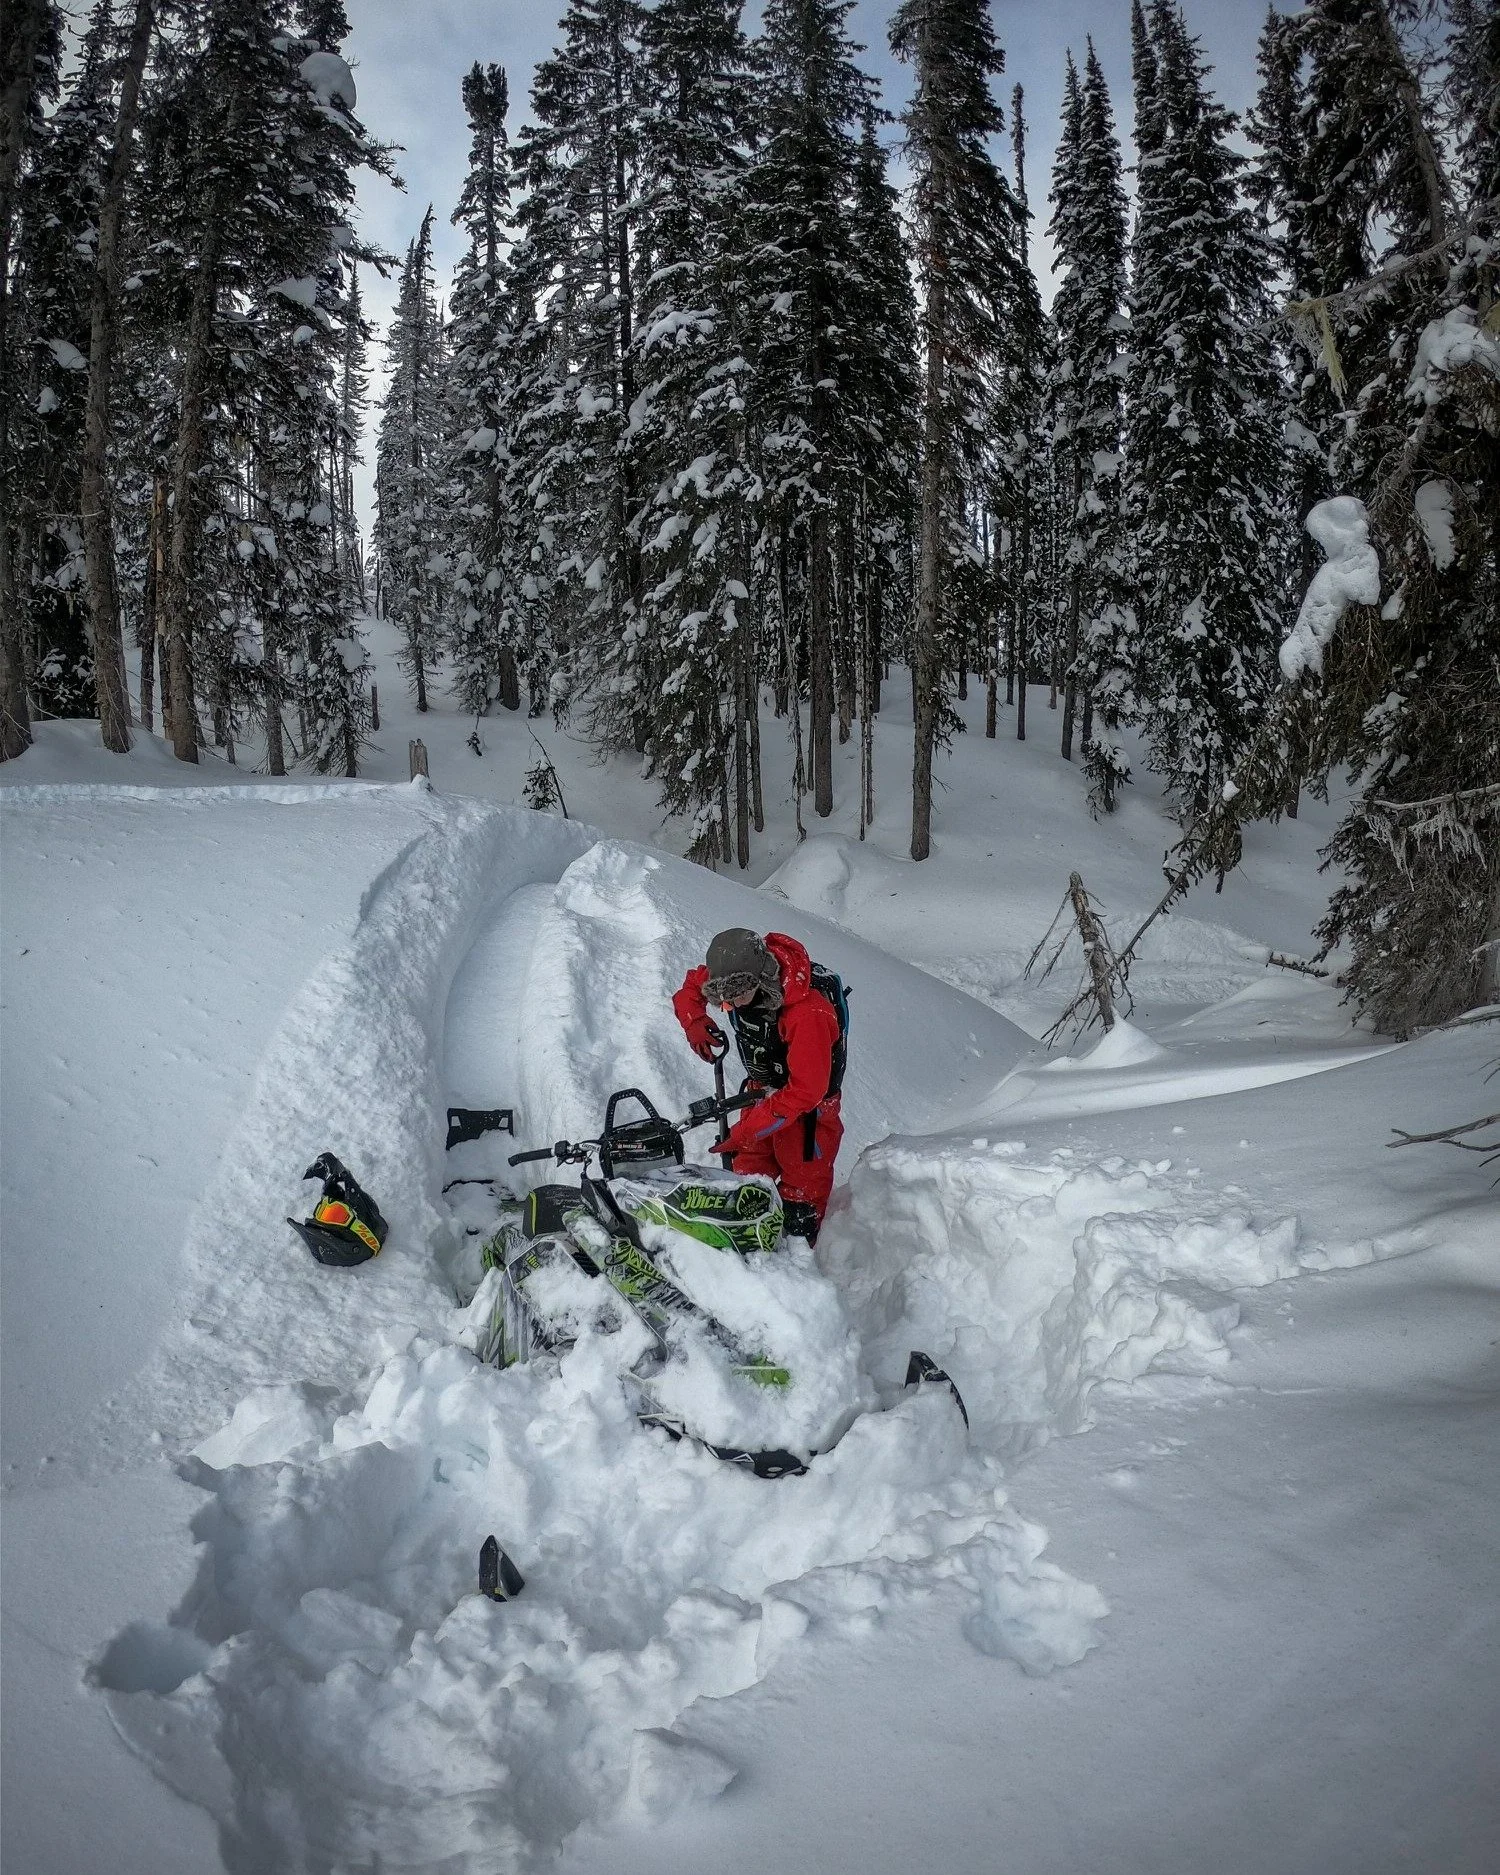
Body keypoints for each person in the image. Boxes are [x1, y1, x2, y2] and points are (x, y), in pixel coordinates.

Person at [672, 927, 845, 1244]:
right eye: (722, 1001)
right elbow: (690, 989)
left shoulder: (809, 1014)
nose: (731, 1006)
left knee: (800, 1203)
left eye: (737, 996)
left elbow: (807, 1090)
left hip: (810, 1116)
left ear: (761, 979)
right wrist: (693, 1020)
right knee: (746, 1184)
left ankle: (798, 1259)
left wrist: (750, 1129)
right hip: (761, 1091)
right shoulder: (729, 980)